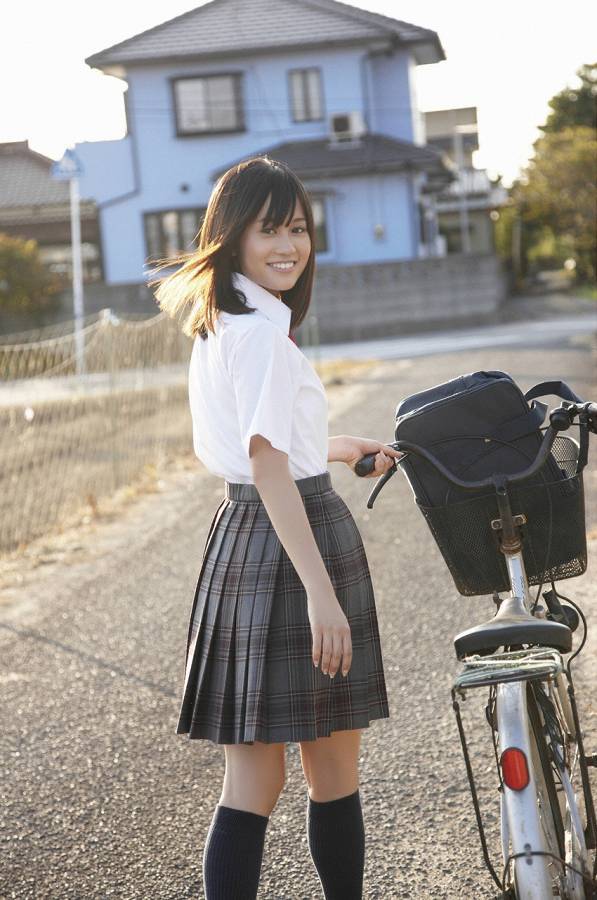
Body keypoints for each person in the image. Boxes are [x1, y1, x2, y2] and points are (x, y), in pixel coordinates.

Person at [150, 156, 402, 900]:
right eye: (270, 230)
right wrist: (321, 595)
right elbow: (268, 468)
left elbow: (258, 451)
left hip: (243, 536)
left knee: (250, 782)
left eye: (298, 228)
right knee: (331, 776)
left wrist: (337, 446)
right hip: (294, 535)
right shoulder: (259, 329)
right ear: (232, 237)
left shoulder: (227, 317)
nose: (289, 245)